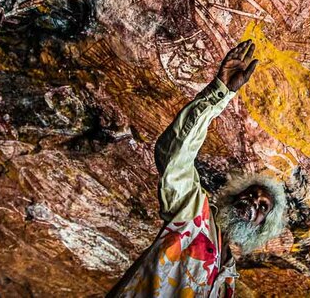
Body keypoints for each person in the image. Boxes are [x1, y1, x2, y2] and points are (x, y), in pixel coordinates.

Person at [107, 40, 287, 297]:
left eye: (262, 207)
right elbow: (174, 156)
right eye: (252, 194)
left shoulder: (228, 279)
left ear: (262, 227)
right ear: (234, 195)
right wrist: (220, 91)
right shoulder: (194, 212)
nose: (253, 202)